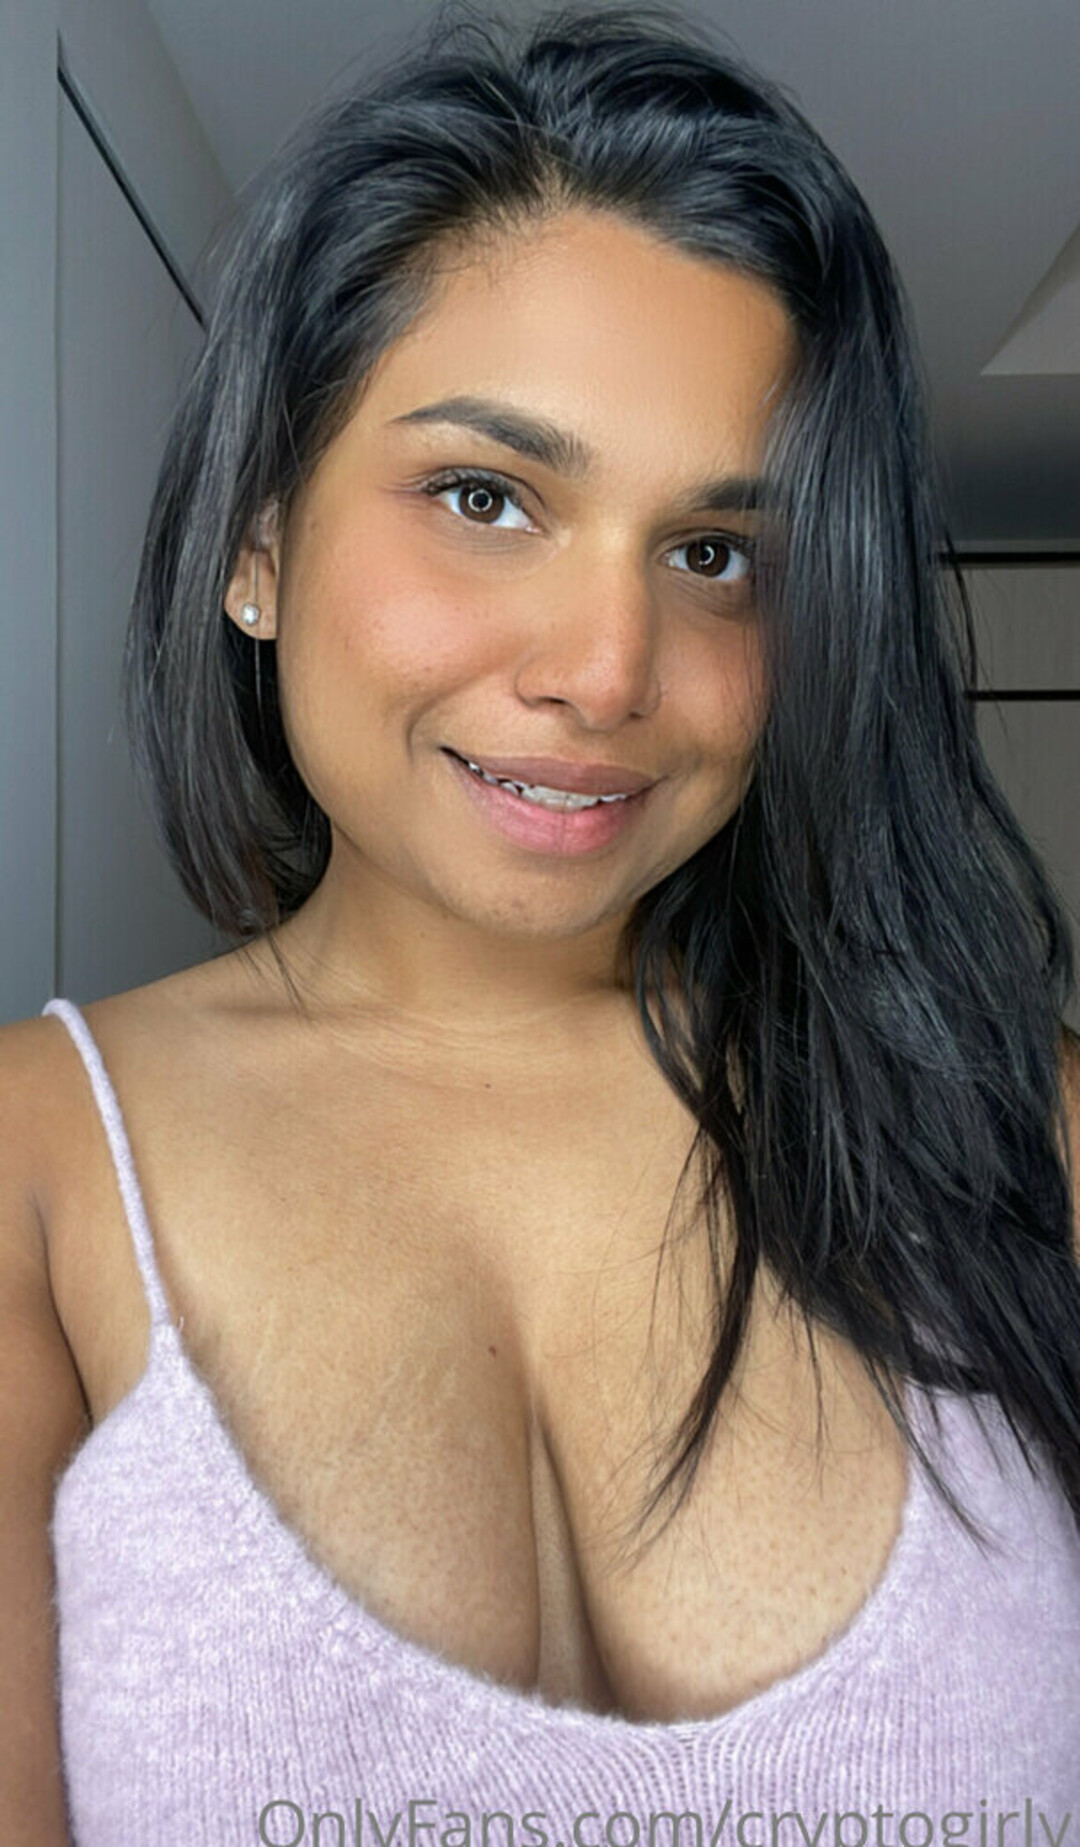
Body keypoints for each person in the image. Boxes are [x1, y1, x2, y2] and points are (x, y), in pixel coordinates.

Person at [3, 3, 1079, 1841]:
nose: (608, 671)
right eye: (486, 497)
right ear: (257, 541)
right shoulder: (37, 1174)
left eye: (716, 553)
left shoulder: (1021, 1134)